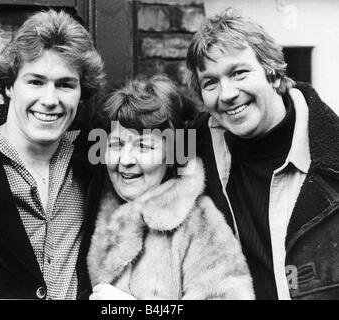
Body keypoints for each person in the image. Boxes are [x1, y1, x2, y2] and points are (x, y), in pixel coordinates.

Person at [0, 9, 105, 299]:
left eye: (65, 84)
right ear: (9, 85)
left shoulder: (94, 156)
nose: (49, 100)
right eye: (35, 82)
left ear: (83, 92)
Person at [186, 9, 339, 300]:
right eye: (210, 83)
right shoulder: (197, 143)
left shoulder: (331, 157)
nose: (227, 93)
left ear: (271, 71)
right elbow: (134, 149)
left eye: (238, 72)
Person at [86, 74, 254, 300]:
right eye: (116, 144)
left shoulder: (200, 224)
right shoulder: (95, 210)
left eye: (143, 146)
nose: (125, 160)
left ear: (173, 154)